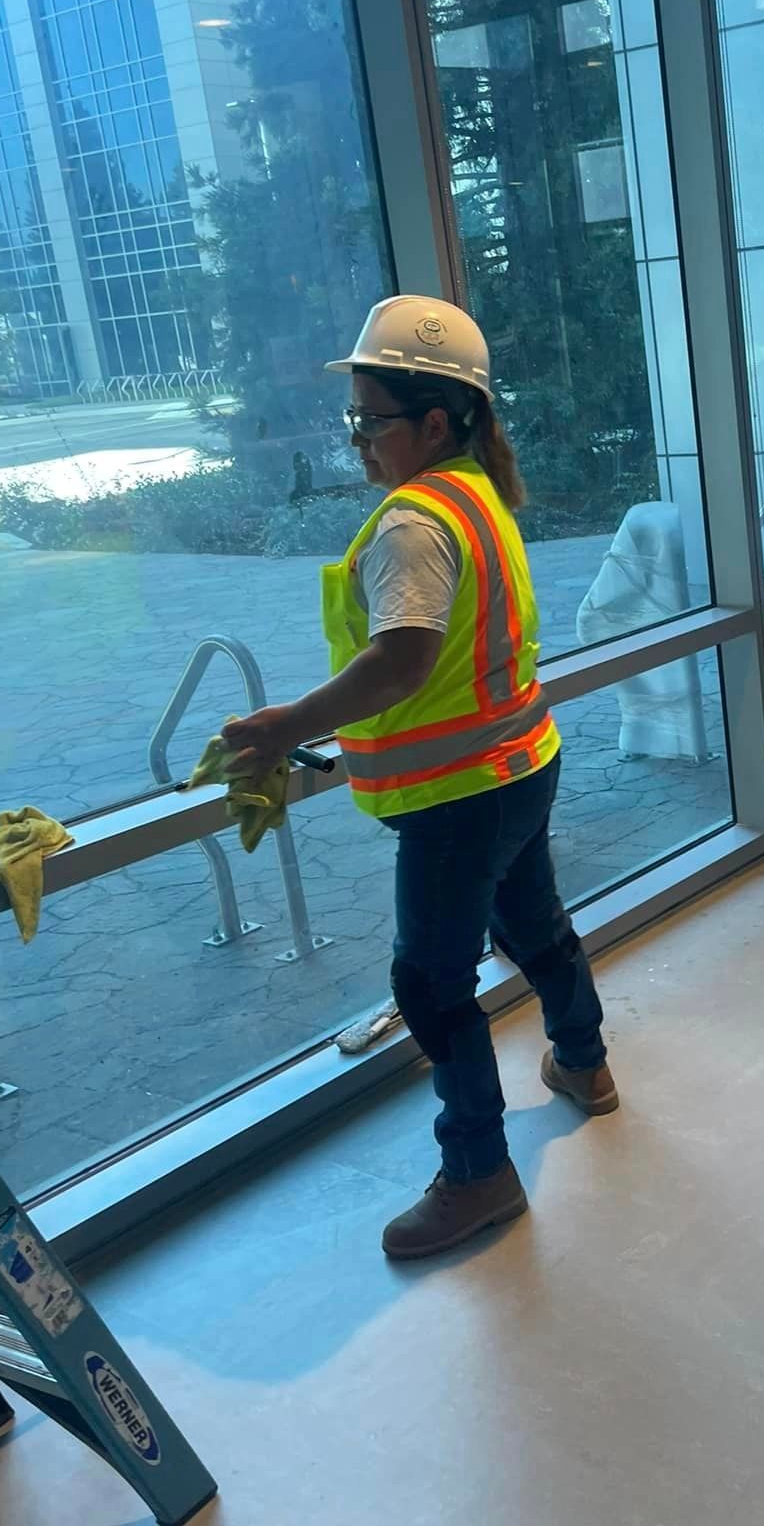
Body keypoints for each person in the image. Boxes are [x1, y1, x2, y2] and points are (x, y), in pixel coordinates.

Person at [223, 296, 616, 1260]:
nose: (357, 439)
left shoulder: (411, 522)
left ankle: (478, 1174)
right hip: (522, 765)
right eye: (354, 418)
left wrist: (284, 726)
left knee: (430, 982)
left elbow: (402, 660)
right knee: (534, 925)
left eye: (371, 420)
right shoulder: (477, 492)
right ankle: (584, 1063)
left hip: (458, 798)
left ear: (433, 423)